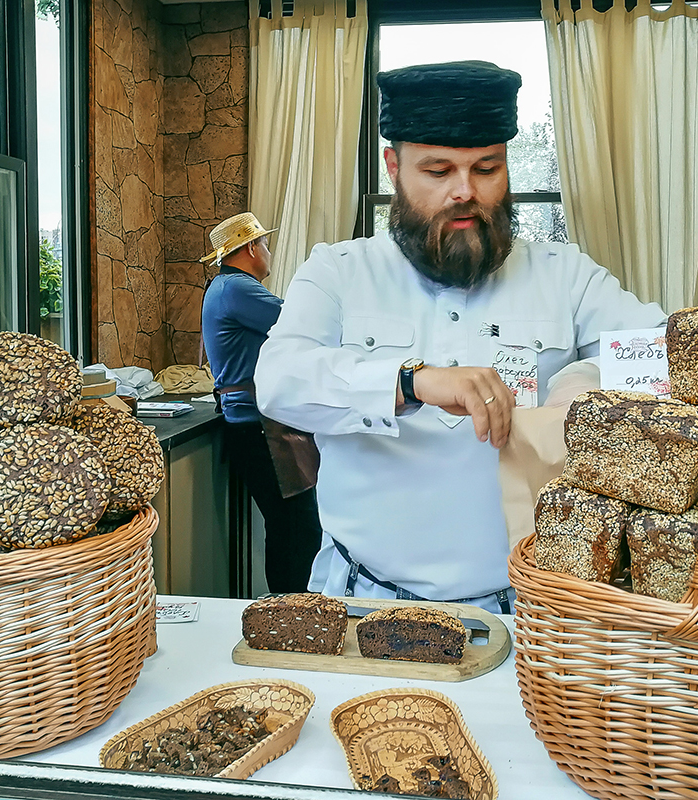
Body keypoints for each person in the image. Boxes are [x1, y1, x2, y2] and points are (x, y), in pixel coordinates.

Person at [254, 61, 666, 614]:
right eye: (439, 171)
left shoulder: (565, 275)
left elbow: (668, 355)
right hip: (364, 601)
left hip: (534, 610)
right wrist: (411, 380)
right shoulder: (340, 271)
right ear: (394, 168)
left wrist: (585, 381)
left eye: (486, 169)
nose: (464, 192)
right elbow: (278, 381)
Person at [199, 212, 322, 594]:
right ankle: (291, 612)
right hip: (261, 427)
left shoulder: (224, 287)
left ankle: (290, 610)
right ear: (250, 247)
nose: (268, 251)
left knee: (292, 526)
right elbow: (297, 321)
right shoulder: (237, 288)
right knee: (295, 527)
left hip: (257, 424)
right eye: (265, 244)